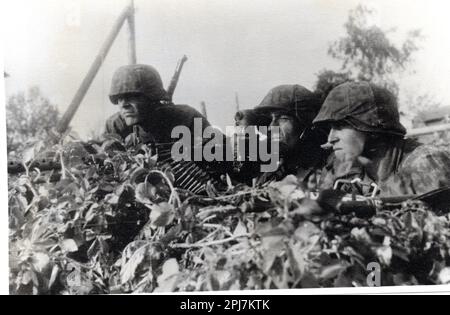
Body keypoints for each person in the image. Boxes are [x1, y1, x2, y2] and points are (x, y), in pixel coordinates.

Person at [313, 81, 450, 197]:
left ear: (372, 129)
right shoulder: (346, 171)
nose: (331, 138)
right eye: (330, 128)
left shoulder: (426, 164)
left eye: (340, 126)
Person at [233, 84, 328, 187]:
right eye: (271, 119)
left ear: (307, 124)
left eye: (283, 118)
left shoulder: (325, 172)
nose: (271, 127)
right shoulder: (276, 167)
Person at [104, 64, 211, 149]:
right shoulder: (115, 127)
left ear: (152, 98)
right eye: (119, 99)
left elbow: (225, 155)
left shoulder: (186, 119)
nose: (123, 105)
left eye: (132, 96)